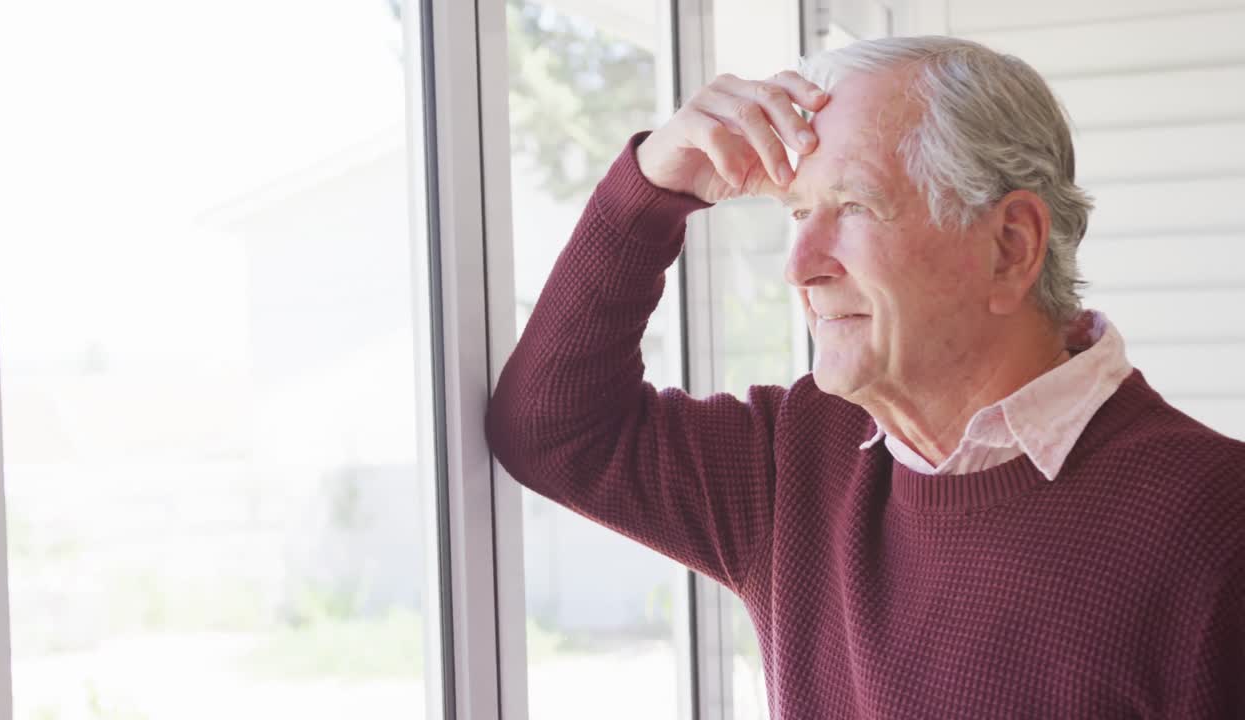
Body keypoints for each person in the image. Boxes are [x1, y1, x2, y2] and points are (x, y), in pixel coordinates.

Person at [485, 35, 1245, 718]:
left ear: (1011, 247)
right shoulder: (797, 458)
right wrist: (654, 186)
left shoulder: (1219, 528)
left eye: (851, 205)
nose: (798, 267)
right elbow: (553, 429)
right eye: (796, 213)